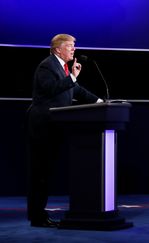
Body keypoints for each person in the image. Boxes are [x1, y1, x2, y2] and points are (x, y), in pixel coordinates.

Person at [27, 34, 103, 227]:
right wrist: (72, 77)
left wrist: (100, 102)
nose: (73, 49)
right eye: (70, 46)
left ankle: (38, 215)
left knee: (45, 173)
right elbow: (50, 89)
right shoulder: (47, 65)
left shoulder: (64, 68)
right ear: (58, 49)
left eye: (74, 46)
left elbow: (76, 91)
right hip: (43, 127)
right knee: (40, 174)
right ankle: (37, 217)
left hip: (54, 127)